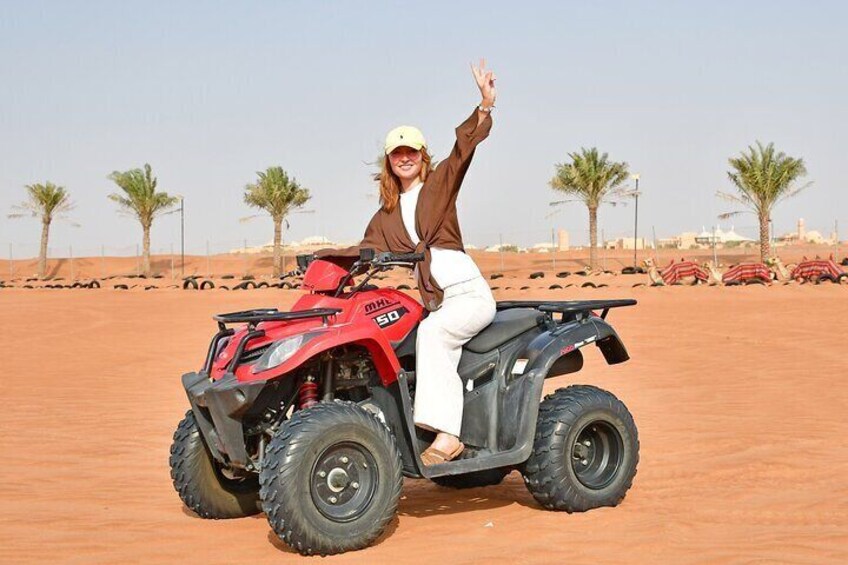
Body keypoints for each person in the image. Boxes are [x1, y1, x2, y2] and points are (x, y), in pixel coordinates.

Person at [317, 59, 498, 465]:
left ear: (422, 155)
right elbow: (363, 251)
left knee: (432, 334)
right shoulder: (386, 215)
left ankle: (448, 437)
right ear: (388, 161)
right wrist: (321, 261)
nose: (404, 158)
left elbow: (463, 150)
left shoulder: (439, 185)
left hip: (468, 296)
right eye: (397, 153)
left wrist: (485, 105)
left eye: (411, 151)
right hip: (437, 302)